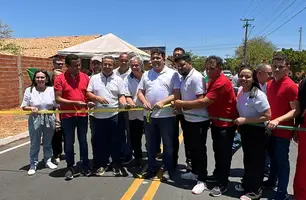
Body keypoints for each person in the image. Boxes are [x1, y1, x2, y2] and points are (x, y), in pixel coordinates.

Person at [173, 56, 238, 197]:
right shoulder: (212, 79)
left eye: (212, 68)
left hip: (225, 124)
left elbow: (204, 101)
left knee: (222, 155)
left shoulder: (220, 82)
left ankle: (221, 183)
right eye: (207, 68)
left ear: (220, 68)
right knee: (213, 151)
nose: (208, 71)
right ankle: (210, 175)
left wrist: (181, 104)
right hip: (215, 122)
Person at [138, 48, 180, 181]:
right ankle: (151, 168)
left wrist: (163, 102)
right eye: (153, 58)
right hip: (149, 115)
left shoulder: (173, 74)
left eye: (158, 58)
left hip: (166, 116)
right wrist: (144, 101)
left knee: (168, 145)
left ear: (163, 58)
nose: (155, 60)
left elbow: (176, 94)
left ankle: (167, 169)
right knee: (150, 144)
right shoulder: (146, 74)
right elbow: (140, 91)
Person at [172, 54, 210, 195]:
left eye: (183, 65)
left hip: (199, 120)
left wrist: (181, 105)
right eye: (178, 66)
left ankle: (202, 180)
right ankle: (195, 172)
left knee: (200, 151)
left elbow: (201, 101)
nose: (180, 68)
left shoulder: (196, 77)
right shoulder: (184, 77)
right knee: (192, 149)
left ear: (189, 63)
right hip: (189, 120)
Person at [264, 53, 300, 200]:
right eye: (275, 66)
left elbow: (295, 110)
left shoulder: (290, 86)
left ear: (287, 68)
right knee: (272, 158)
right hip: (269, 129)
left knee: (282, 161)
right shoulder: (269, 83)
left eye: (281, 67)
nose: (277, 69)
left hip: (283, 132)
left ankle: (282, 192)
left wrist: (278, 120)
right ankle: (272, 181)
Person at [87, 55, 129, 176]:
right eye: (105, 64)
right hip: (97, 117)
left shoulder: (118, 80)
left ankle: (116, 164)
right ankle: (102, 164)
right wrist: (96, 98)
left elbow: (121, 95)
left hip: (114, 115)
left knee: (115, 142)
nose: (107, 66)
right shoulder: (94, 78)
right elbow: (88, 93)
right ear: (101, 65)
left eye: (109, 64)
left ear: (113, 65)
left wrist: (124, 103)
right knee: (100, 142)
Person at [234, 67, 271, 200]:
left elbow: (267, 116)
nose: (244, 79)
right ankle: (247, 184)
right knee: (248, 160)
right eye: (241, 76)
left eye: (247, 76)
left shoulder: (258, 95)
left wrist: (246, 120)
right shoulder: (240, 91)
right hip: (246, 130)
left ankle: (255, 191)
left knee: (256, 162)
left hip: (258, 131)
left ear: (253, 78)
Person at [54, 54, 91, 180]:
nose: (78, 68)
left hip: (82, 115)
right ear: (67, 66)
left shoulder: (85, 77)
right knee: (69, 143)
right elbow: (58, 98)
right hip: (67, 116)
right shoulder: (59, 79)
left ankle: (85, 165)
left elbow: (88, 94)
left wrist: (90, 101)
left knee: (83, 141)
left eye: (79, 65)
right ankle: (70, 167)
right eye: (75, 66)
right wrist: (74, 103)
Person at [21, 70, 58, 175]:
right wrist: (31, 108)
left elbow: (56, 105)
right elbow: (24, 106)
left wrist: (57, 119)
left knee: (47, 141)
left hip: (49, 117)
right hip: (35, 118)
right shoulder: (30, 90)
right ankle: (33, 163)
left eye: (42, 77)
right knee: (35, 142)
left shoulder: (52, 90)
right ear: (34, 79)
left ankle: (48, 160)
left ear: (46, 79)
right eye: (38, 77)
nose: (40, 79)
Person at [123, 56, 144, 166]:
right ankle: (138, 157)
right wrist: (132, 105)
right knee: (135, 137)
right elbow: (127, 95)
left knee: (152, 137)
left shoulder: (148, 76)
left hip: (148, 112)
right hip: (134, 113)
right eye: (132, 65)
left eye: (137, 65)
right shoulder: (127, 79)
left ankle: (152, 157)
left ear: (141, 65)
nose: (135, 67)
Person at [114, 53, 133, 164]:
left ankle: (128, 153)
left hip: (129, 108)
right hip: (116, 108)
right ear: (118, 61)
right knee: (119, 132)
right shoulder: (114, 72)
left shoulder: (133, 73)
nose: (124, 62)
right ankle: (120, 152)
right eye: (122, 60)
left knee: (129, 132)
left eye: (126, 60)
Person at [255, 63, 273, 176]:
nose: (272, 75)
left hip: (266, 124)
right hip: (251, 123)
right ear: (260, 74)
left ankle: (265, 170)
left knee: (265, 151)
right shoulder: (251, 86)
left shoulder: (270, 85)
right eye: (269, 73)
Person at [172, 47, 187, 170]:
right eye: (175, 55)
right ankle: (173, 160)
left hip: (187, 111)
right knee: (172, 137)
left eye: (179, 55)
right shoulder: (171, 73)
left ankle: (190, 162)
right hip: (173, 110)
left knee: (188, 137)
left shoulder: (188, 73)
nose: (177, 57)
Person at [88, 55, 102, 172]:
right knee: (95, 138)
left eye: (98, 63)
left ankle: (108, 160)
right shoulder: (87, 78)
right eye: (94, 63)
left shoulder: (108, 77)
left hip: (109, 114)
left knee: (108, 138)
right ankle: (97, 161)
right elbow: (85, 94)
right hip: (93, 114)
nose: (96, 65)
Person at [294, 77, 306, 200]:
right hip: (304, 128)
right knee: (303, 164)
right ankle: (300, 195)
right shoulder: (303, 83)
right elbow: (300, 107)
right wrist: (296, 127)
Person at [51, 69, 64, 165]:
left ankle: (68, 153)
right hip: (54, 115)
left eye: (60, 76)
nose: (57, 78)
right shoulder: (49, 89)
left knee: (67, 137)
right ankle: (57, 154)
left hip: (66, 114)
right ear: (52, 77)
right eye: (56, 76)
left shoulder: (65, 87)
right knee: (56, 136)